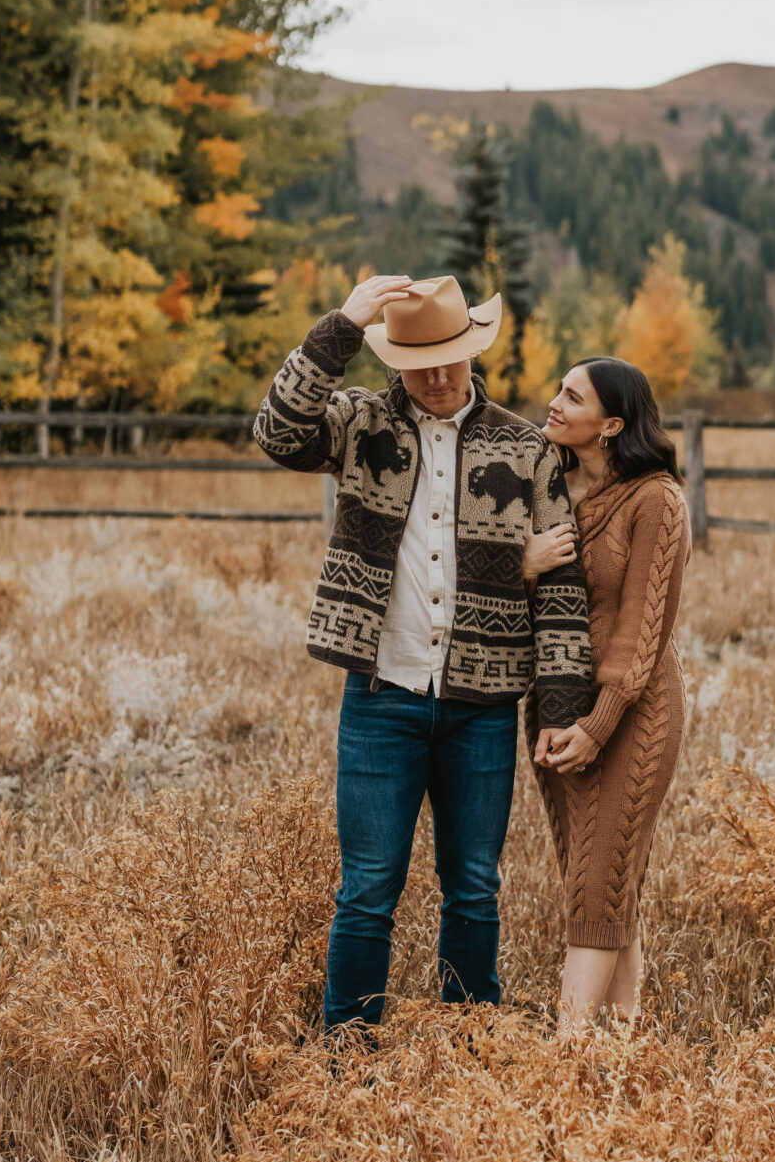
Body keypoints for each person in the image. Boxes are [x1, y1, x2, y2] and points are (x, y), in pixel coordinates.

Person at [254, 272, 594, 1034]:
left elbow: (564, 591)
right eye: (420, 363)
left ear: (473, 352)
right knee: (368, 887)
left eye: (452, 359)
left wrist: (564, 706)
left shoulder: (524, 446)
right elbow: (275, 431)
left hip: (482, 708)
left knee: (473, 886)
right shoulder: (360, 423)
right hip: (382, 698)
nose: (439, 377)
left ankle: (469, 1044)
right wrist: (340, 324)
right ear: (393, 363)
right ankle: (346, 1049)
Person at [522, 357, 691, 1032]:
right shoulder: (550, 492)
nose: (555, 403)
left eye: (573, 396)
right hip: (558, 706)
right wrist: (524, 566)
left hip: (631, 712)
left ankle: (568, 1056)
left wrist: (599, 724)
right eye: (558, 389)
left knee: (599, 881)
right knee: (598, 884)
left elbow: (641, 634)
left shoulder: (656, 500)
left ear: (612, 423)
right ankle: (624, 1053)